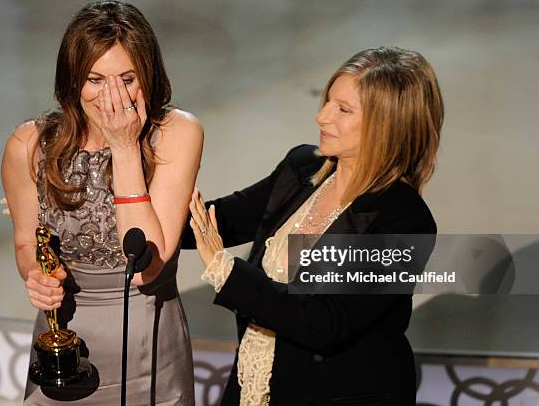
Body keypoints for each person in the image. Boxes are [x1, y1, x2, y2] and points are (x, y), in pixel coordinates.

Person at [183, 46, 443, 405]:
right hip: (254, 388)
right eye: (327, 101)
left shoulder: (406, 221)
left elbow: (324, 322)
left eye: (343, 109)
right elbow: (219, 219)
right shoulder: (302, 168)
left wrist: (226, 269)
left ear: (387, 124)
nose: (322, 117)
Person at [1, 0, 202, 405]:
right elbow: (26, 241)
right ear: (72, 80)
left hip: (148, 344)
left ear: (148, 76)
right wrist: (36, 276)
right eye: (95, 79)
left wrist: (124, 147)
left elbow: (148, 267)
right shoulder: (30, 144)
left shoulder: (176, 134)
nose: (111, 96)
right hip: (66, 342)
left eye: (127, 79)